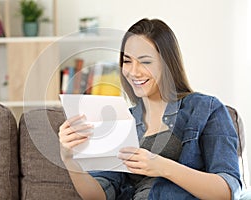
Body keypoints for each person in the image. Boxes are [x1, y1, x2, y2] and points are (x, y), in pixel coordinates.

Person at [58, 18, 242, 200]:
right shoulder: (121, 121)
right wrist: (70, 159)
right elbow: (98, 195)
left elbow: (227, 191)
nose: (133, 72)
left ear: (167, 63)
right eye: (127, 61)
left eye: (145, 62)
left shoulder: (206, 110)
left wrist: (162, 167)